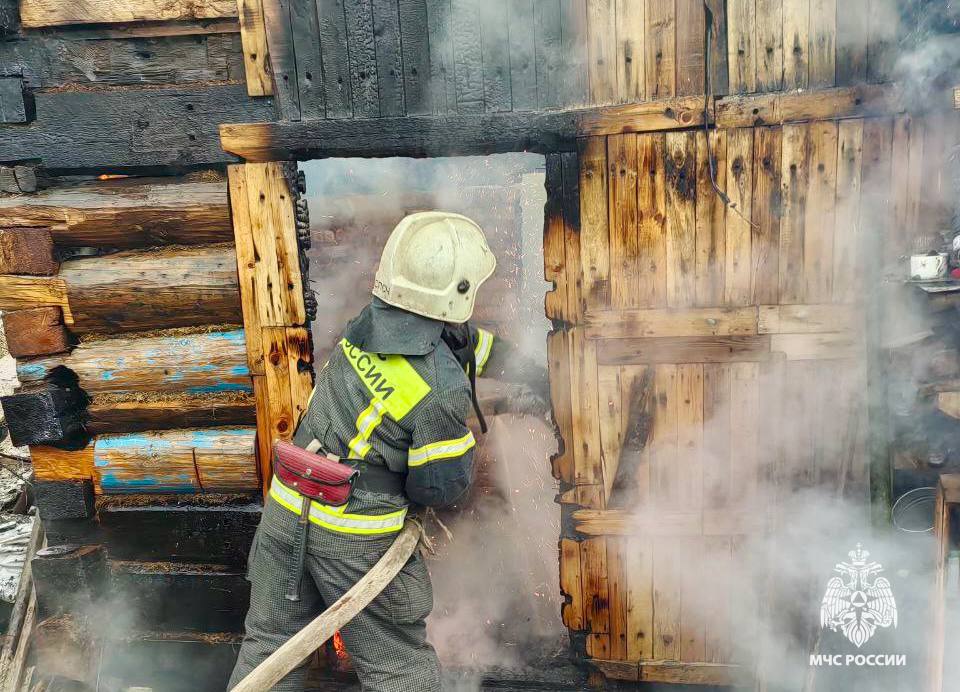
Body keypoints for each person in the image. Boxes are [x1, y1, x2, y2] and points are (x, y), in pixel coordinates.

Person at [228, 211, 546, 691]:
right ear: (458, 293)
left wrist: (529, 371)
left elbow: (461, 344)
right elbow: (438, 488)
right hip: (354, 537)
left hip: (287, 513)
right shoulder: (441, 389)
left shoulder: (367, 324)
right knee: (400, 671)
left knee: (271, 652)